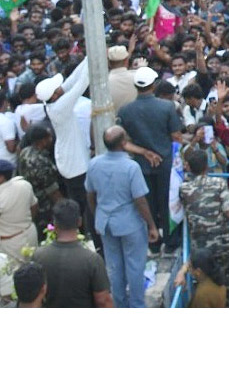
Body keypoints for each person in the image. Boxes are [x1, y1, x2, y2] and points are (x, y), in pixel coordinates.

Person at [86, 126, 159, 308]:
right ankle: (136, 305)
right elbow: (140, 200)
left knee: (114, 266)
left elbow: (90, 194)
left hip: (106, 222)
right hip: (129, 223)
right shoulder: (131, 167)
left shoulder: (94, 164)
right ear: (124, 143)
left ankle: (119, 304)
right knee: (134, 266)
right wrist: (151, 225)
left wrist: (98, 216)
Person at [117, 66, 183, 253]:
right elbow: (177, 137)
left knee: (147, 204)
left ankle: (153, 241)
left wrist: (143, 152)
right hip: (166, 164)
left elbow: (122, 142)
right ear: (154, 85)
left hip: (141, 166)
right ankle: (171, 243)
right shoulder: (167, 107)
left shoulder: (125, 111)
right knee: (168, 202)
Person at [179, 146, 229, 305]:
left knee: (201, 286)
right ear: (207, 166)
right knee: (226, 284)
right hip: (222, 245)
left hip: (200, 249)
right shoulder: (219, 183)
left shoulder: (184, 188)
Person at [34, 57, 91, 228]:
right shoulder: (59, 107)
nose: (61, 86)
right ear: (55, 94)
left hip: (71, 159)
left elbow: (73, 79)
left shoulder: (56, 99)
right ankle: (82, 232)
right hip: (74, 164)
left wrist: (89, 55)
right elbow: (81, 83)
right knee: (84, 205)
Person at [31, 199, 113, 308]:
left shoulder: (38, 256)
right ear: (79, 222)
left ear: (54, 224)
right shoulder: (92, 260)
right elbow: (103, 300)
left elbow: (33, 297)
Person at [16, 124, 60, 235]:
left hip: (29, 203)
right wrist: (65, 208)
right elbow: (53, 192)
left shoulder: (25, 152)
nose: (51, 139)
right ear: (42, 141)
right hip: (44, 208)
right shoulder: (41, 162)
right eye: (49, 137)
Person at [0, 157, 37, 262]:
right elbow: (34, 206)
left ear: (1, 177)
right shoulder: (24, 184)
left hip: (10, 244)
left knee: (14, 274)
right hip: (30, 233)